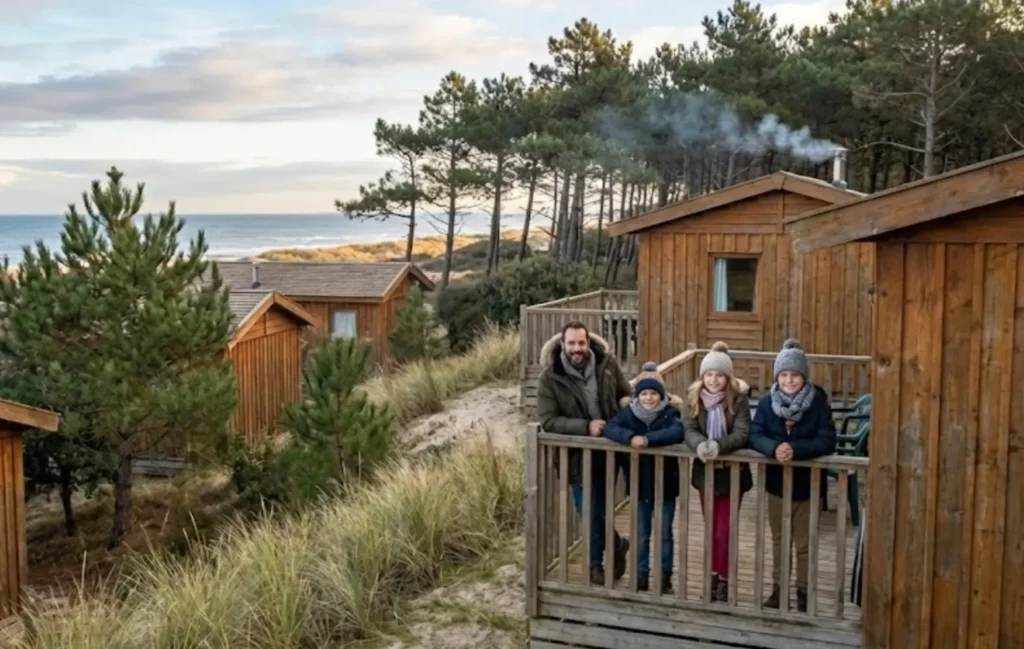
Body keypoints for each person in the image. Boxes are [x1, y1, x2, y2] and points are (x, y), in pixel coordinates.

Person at [536, 321, 633, 585]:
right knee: (588, 511)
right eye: (571, 343)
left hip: (608, 453)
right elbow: (548, 420)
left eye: (581, 343)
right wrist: (585, 427)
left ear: (588, 343)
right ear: (562, 345)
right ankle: (599, 560)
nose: (577, 348)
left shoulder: (607, 366)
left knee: (598, 511)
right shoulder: (550, 377)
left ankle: (609, 552)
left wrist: (625, 415)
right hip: (576, 457)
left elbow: (626, 395)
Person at [749, 339, 837, 612]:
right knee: (779, 540)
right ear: (777, 377)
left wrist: (794, 449)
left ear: (803, 376)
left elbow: (828, 440)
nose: (789, 380)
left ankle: (803, 592)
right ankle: (778, 590)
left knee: (804, 543)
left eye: (795, 375)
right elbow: (755, 434)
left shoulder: (818, 403)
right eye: (784, 375)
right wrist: (774, 448)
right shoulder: (766, 404)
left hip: (808, 486)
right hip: (776, 484)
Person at [682, 341, 753, 602]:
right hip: (706, 473)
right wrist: (700, 444)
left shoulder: (739, 400)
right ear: (703, 376)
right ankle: (713, 576)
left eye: (719, 375)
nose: (713, 379)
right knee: (712, 530)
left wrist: (717, 446)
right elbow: (688, 430)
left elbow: (743, 433)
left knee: (725, 531)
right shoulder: (693, 399)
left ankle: (725, 579)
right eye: (709, 374)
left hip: (732, 474)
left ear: (727, 377)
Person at [604, 362, 684, 594]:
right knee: (641, 535)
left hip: (666, 485)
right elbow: (611, 428)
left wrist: (648, 440)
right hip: (639, 485)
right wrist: (630, 437)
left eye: (654, 394)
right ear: (637, 396)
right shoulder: (628, 414)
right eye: (644, 393)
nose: (649, 398)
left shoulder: (671, 414)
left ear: (662, 396)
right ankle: (641, 576)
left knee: (665, 535)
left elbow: (678, 431)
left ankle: (665, 577)